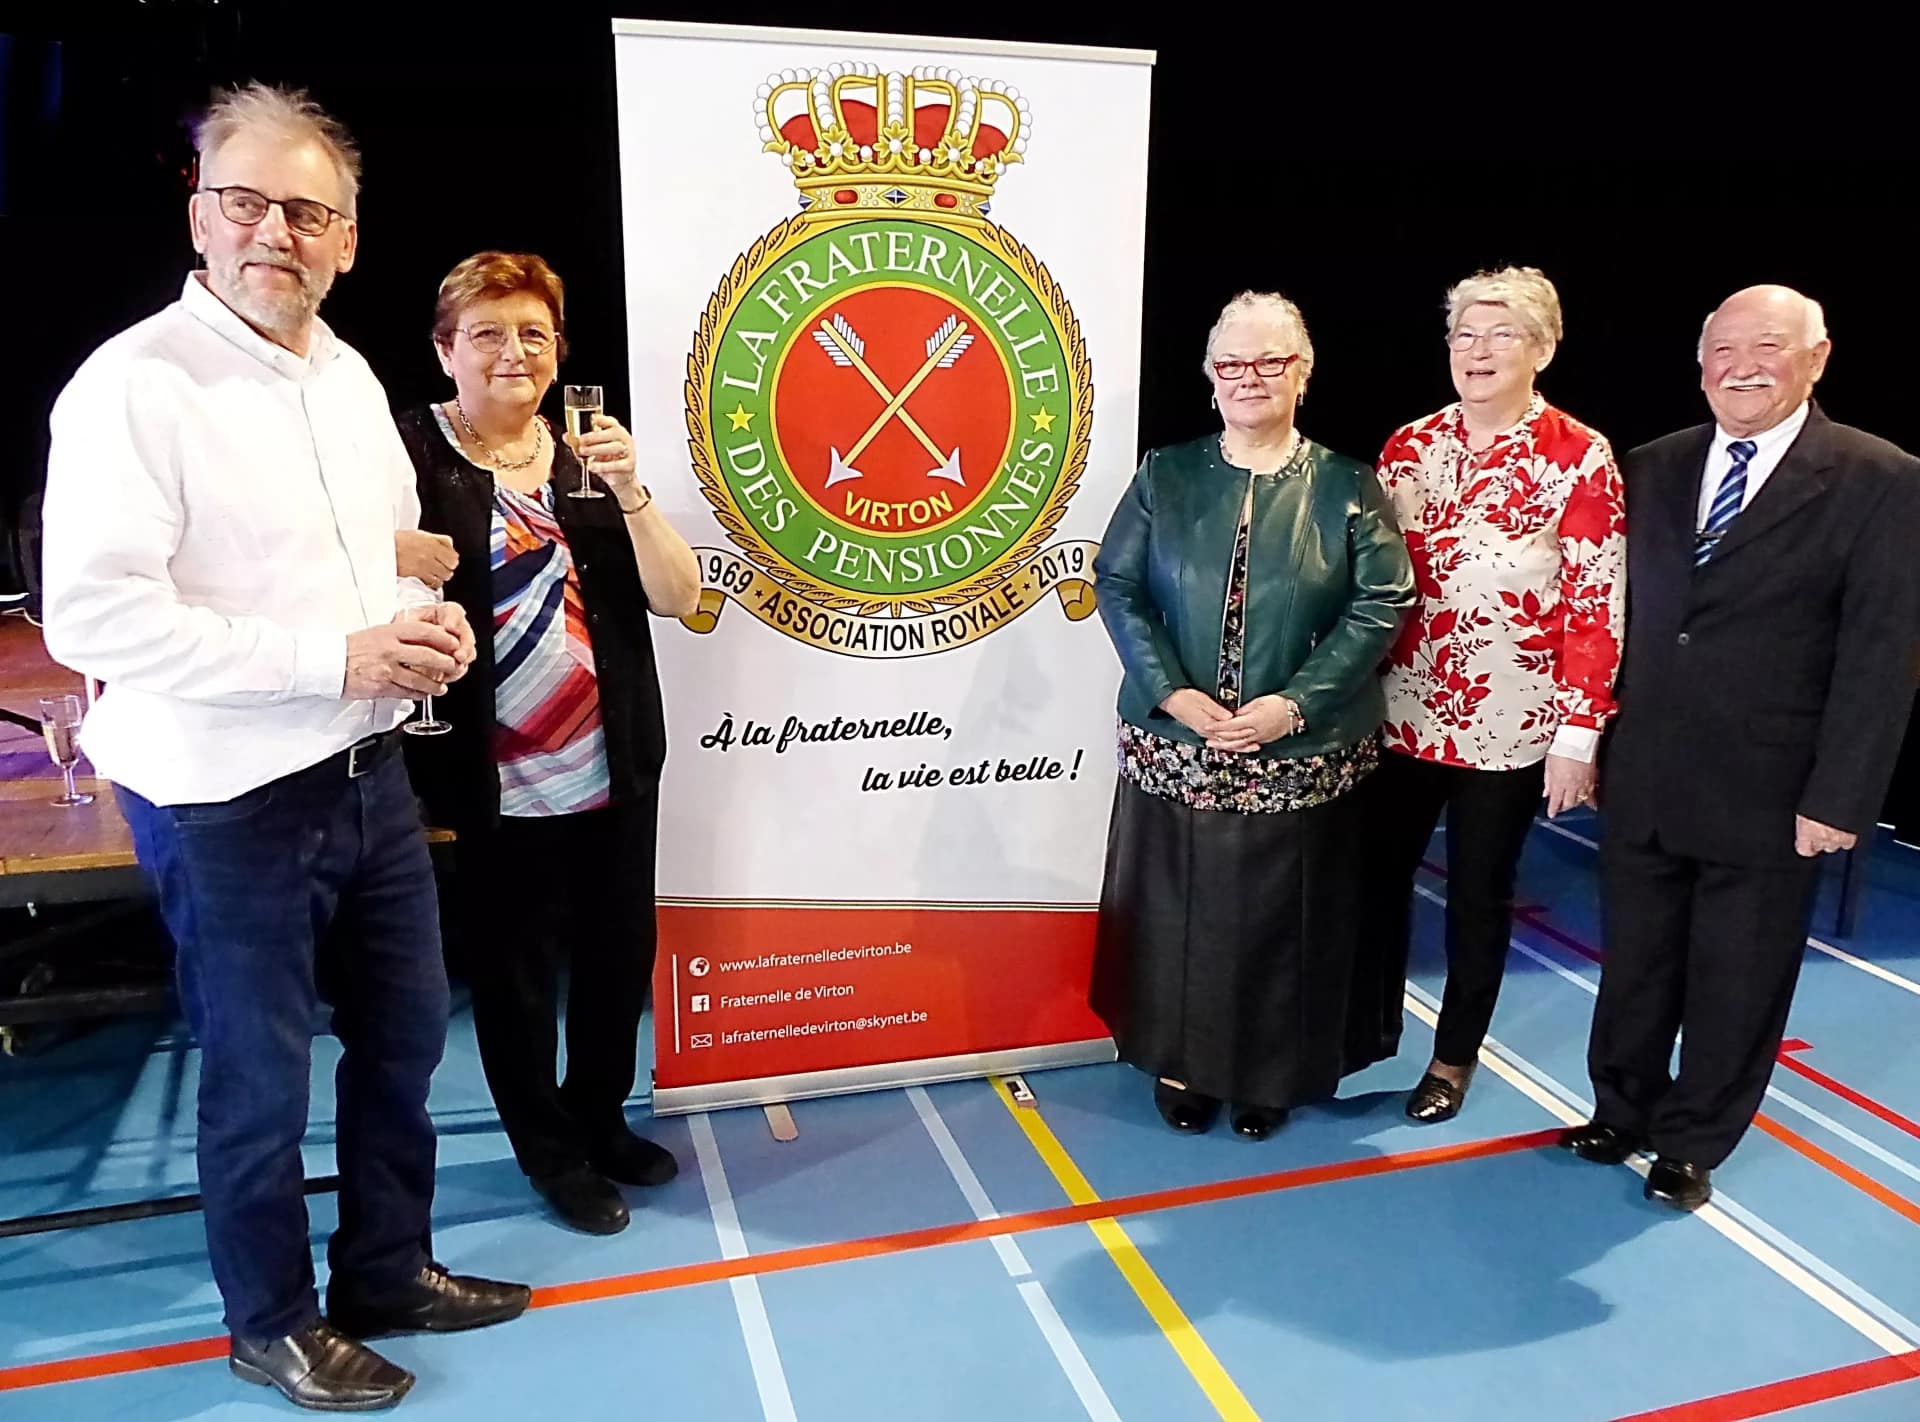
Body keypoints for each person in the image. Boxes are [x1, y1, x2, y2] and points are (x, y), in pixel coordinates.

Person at [40, 84, 529, 1412]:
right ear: (199, 218)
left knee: (404, 1041)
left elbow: (384, 549)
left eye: (307, 212)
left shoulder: (349, 377)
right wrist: (340, 658)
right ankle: (270, 1320)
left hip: (366, 773)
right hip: (225, 802)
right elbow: (96, 617)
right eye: (246, 202)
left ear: (348, 239)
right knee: (258, 1081)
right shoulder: (133, 385)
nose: (276, 232)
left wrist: (422, 618)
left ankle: (387, 1268)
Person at [1562, 285, 1920, 1210]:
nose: (1742, 367)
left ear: (1817, 358)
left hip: (1772, 788)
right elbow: (1611, 618)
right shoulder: (1651, 464)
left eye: (1768, 347)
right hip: (1644, 768)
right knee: (1636, 963)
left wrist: (1840, 797)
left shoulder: (1880, 478)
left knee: (1740, 976)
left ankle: (1692, 1141)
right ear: (1700, 363)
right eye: (1723, 349)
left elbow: (1881, 655)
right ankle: (1620, 1110)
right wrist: (1588, 740)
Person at [392, 251, 701, 1236]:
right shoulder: (406, 453)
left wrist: (635, 494)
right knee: (517, 977)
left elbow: (680, 597)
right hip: (494, 773)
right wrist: (389, 546)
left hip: (613, 761)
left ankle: (602, 1119)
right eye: (486, 333)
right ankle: (550, 1152)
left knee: (618, 956)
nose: (513, 352)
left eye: (533, 333)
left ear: (559, 351)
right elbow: (324, 559)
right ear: (446, 350)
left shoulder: (586, 456)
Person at [1089, 291, 1416, 1140]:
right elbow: (1117, 583)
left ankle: (1270, 1077)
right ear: (1209, 377)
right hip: (1176, 742)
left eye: (1271, 361)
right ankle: (1180, 1063)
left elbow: (1383, 600)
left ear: (1303, 374)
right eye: (1232, 363)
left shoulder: (1348, 483)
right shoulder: (1164, 474)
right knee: (1178, 919)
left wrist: (1294, 706)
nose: (1250, 378)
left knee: (1284, 925)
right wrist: (1169, 691)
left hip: (1304, 748)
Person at [1354, 267, 1626, 1121]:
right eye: (1464, 334)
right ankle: (1356, 1033)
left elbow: (1596, 602)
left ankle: (1452, 1060)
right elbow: (1367, 579)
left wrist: (1579, 737)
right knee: (1371, 881)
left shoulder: (1579, 455)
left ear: (1542, 348)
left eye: (1501, 333)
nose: (1477, 350)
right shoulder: (1408, 446)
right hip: (1397, 712)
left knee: (1478, 895)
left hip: (1509, 723)